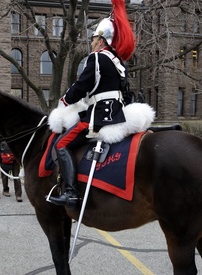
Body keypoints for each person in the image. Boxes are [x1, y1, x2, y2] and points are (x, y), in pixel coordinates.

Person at [48, 0, 136, 207]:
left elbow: (81, 85)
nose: (92, 41)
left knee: (61, 144)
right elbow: (127, 94)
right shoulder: (118, 63)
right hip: (118, 113)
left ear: (102, 40)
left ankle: (70, 192)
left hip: (100, 115)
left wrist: (64, 101)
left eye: (95, 37)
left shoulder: (96, 58)